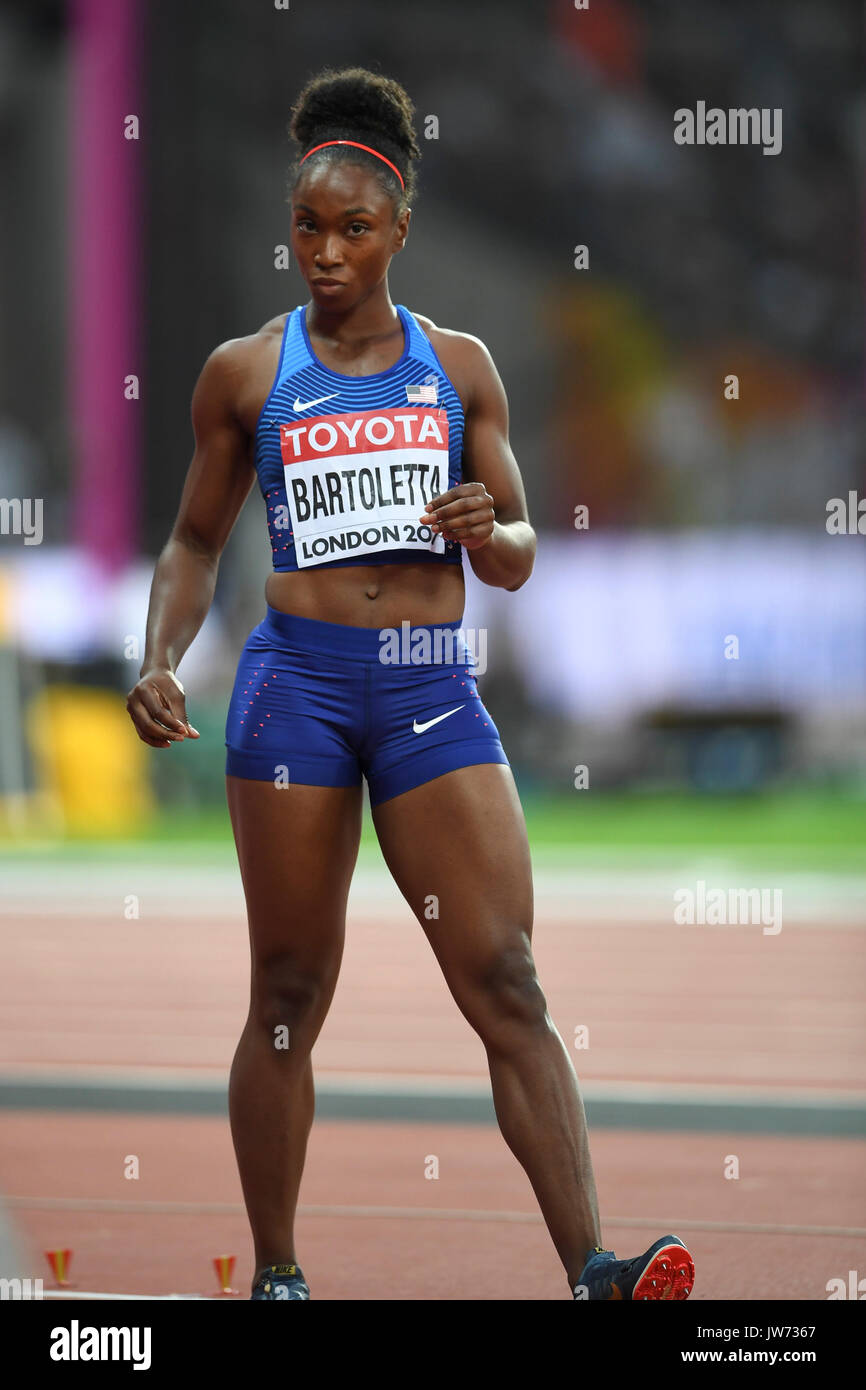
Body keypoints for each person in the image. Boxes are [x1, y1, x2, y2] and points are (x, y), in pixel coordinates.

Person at [126, 66, 695, 1303]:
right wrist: (160, 656)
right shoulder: (242, 373)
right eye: (305, 230)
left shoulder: (460, 366)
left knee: (506, 978)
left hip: (431, 686)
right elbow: (192, 542)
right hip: (297, 689)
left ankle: (594, 1267)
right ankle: (278, 1272)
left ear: (398, 232)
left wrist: (488, 530)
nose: (324, 254)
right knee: (287, 988)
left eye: (351, 231)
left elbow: (521, 551)